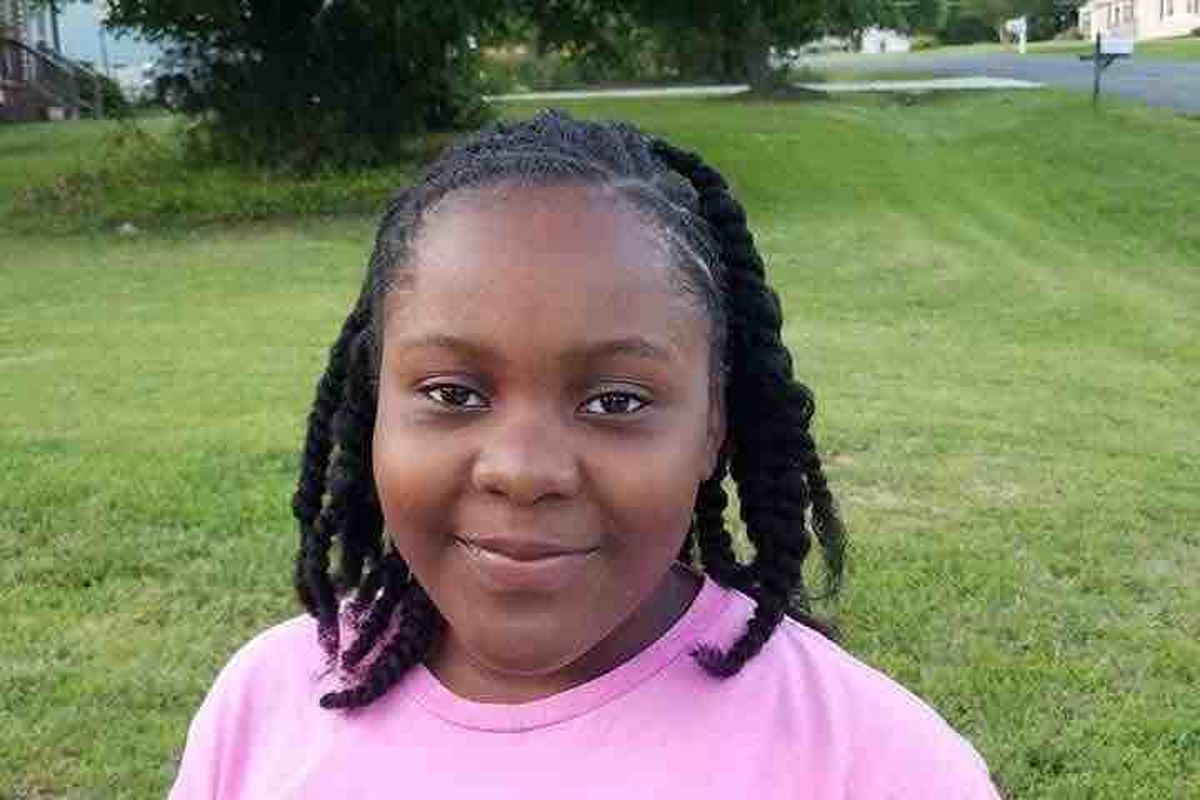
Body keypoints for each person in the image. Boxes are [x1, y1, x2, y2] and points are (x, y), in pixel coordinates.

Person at [168, 110, 1001, 798]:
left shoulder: (874, 764)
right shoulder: (266, 710)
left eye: (616, 402)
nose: (523, 470)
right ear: (374, 406)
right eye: (454, 394)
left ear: (713, 426)